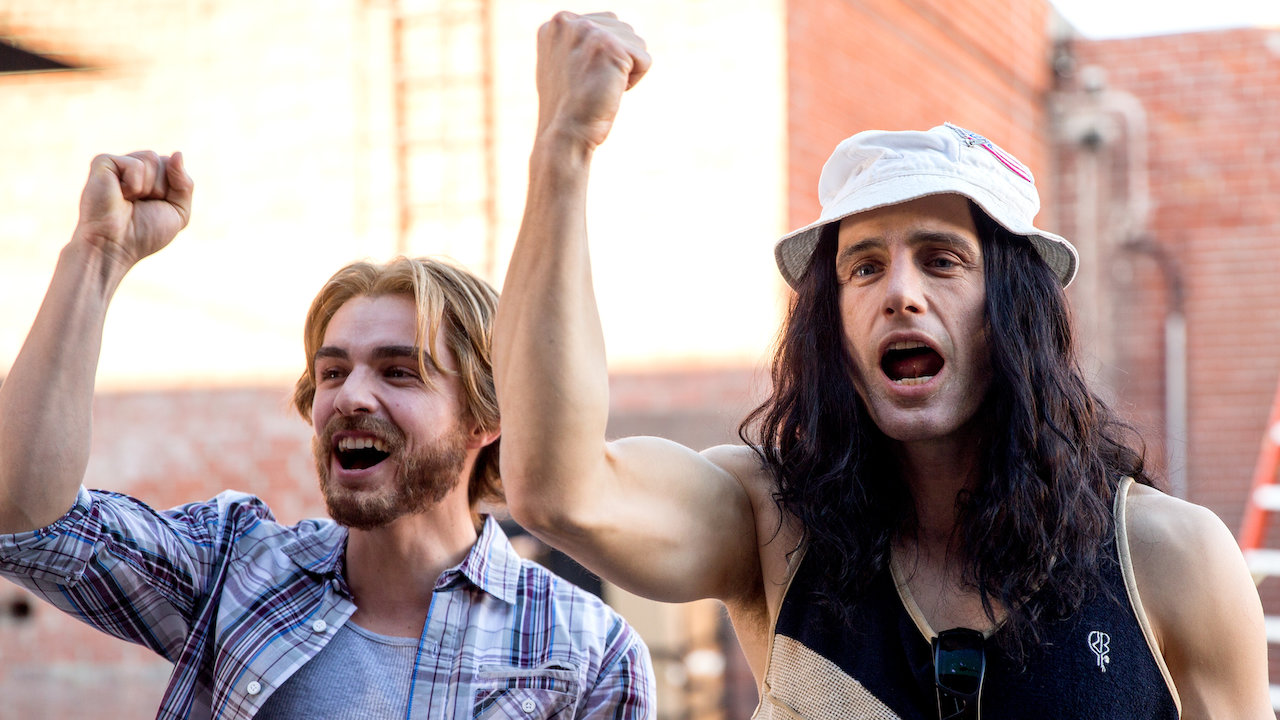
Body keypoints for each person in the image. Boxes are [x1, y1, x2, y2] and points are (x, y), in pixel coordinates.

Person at [493, 11, 1272, 719]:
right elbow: (561, 492)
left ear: (1015, 312)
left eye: (941, 259)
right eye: (864, 267)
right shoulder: (769, 523)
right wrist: (563, 147)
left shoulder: (1171, 558)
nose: (899, 293)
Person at [0, 150, 655, 719]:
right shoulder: (236, 569)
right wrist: (97, 255)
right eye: (333, 372)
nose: (350, 396)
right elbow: (28, 521)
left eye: (399, 372)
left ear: (487, 418)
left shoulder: (586, 653)